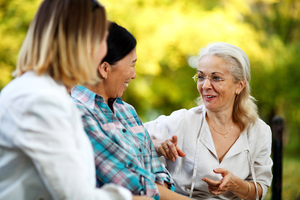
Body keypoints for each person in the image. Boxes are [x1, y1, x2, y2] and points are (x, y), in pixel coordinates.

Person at [0, 1, 151, 200]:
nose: (104, 49)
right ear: (81, 43)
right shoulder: (41, 101)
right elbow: (76, 195)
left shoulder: (45, 93)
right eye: (101, 39)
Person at [71, 22, 190, 200]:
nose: (134, 75)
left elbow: (157, 169)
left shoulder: (126, 110)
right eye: (131, 64)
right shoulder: (78, 113)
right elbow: (131, 184)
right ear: (104, 69)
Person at [144, 42, 273, 200]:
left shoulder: (259, 131)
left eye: (216, 78)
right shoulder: (182, 121)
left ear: (239, 85)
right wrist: (157, 145)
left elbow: (260, 190)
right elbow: (129, 136)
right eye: (201, 77)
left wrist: (235, 184)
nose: (205, 85)